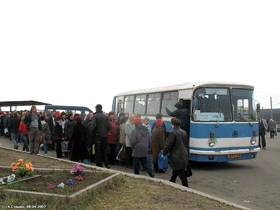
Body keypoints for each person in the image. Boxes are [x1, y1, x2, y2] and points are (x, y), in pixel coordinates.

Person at [161, 118, 189, 187]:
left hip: (176, 155)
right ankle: (171, 182)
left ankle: (186, 186)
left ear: (173, 125)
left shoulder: (172, 133)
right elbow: (186, 144)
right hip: (184, 154)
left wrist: (164, 153)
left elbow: (169, 144)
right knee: (176, 171)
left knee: (180, 172)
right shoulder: (184, 132)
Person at [91, 104, 111, 168]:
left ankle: (99, 164)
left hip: (97, 135)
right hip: (104, 135)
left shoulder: (95, 116)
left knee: (98, 150)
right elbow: (109, 126)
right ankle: (107, 163)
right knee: (104, 150)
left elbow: (93, 127)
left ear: (96, 108)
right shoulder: (106, 116)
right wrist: (105, 131)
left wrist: (93, 134)